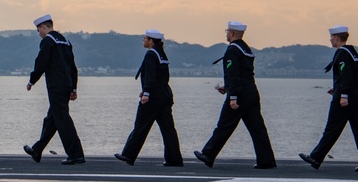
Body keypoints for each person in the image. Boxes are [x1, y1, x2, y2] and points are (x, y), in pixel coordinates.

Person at [194, 21, 276, 169]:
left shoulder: (232, 50)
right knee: (258, 129)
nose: (226, 33)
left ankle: (208, 154)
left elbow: (233, 74)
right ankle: (266, 160)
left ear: (231, 33)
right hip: (251, 92)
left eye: (227, 31)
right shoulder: (246, 49)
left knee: (224, 126)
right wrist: (227, 87)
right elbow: (243, 74)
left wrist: (232, 96)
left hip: (240, 95)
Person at [299, 26, 358, 172]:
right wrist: (337, 89)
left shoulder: (342, 54)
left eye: (331, 37)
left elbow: (345, 75)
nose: (330, 39)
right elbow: (352, 77)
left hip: (345, 101)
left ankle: (316, 157)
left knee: (331, 129)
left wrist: (343, 95)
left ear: (336, 37)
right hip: (356, 99)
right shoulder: (351, 52)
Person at [115, 30, 183, 166]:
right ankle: (174, 159)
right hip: (164, 95)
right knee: (168, 128)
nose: (143, 40)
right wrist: (147, 90)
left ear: (151, 41)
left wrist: (146, 93)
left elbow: (151, 75)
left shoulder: (151, 54)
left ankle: (128, 155)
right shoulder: (162, 55)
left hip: (153, 98)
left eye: (145, 38)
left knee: (141, 126)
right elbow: (162, 77)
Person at [23, 14, 84, 165]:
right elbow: (72, 67)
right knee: (52, 119)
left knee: (62, 120)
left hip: (56, 85)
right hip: (67, 84)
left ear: (44, 27)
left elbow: (41, 63)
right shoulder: (65, 41)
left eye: (38, 30)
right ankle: (37, 149)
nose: (39, 34)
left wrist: (32, 80)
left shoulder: (48, 41)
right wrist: (74, 88)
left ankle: (76, 154)